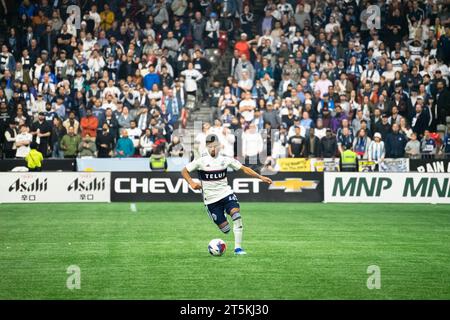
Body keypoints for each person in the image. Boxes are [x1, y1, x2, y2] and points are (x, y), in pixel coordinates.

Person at [181, 134, 273, 255]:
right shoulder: (201, 161)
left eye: (215, 146)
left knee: (236, 216)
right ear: (207, 147)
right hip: (211, 200)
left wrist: (260, 177)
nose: (213, 149)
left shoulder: (225, 159)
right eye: (210, 146)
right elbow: (184, 171)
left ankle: (238, 248)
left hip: (226, 194)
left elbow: (244, 168)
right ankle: (217, 213)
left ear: (219, 146)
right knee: (226, 229)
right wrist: (191, 182)